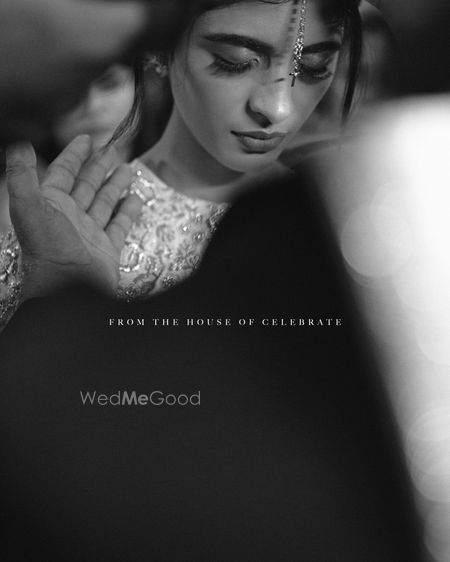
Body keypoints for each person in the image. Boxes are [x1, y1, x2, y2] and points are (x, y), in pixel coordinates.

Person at [0, 0, 363, 328]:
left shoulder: (354, 220)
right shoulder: (68, 228)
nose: (278, 107)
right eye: (234, 60)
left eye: (314, 68)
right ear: (163, 49)